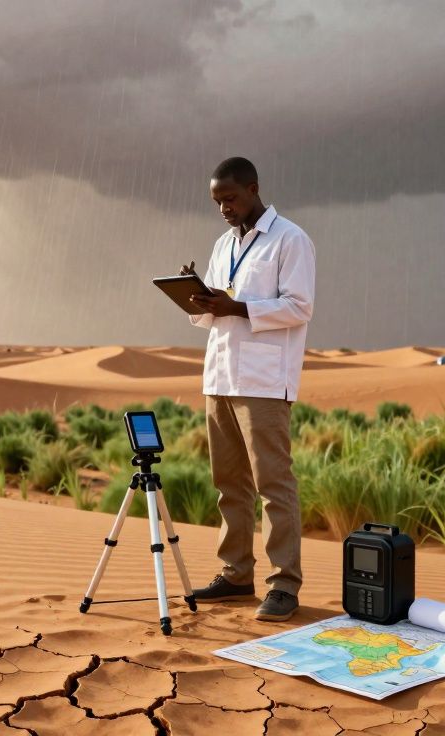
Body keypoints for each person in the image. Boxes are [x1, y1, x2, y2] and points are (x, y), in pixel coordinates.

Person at [181, 156, 315, 622]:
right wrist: (197, 298)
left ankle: (284, 583)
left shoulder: (291, 239)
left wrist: (237, 307)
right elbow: (213, 313)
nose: (223, 208)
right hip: (219, 377)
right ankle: (236, 573)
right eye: (217, 201)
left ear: (254, 189)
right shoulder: (223, 243)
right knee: (228, 484)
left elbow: (299, 308)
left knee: (273, 484)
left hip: (263, 380)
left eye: (230, 198)